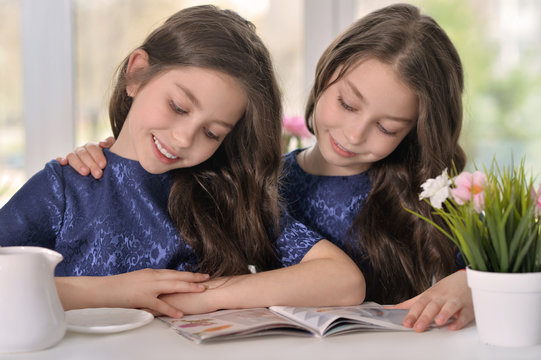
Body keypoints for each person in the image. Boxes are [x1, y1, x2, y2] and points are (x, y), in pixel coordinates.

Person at [60, 4, 472, 332]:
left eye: (386, 127)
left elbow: (521, 265)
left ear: (415, 131)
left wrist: (473, 283)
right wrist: (115, 163)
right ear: (325, 74)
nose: (354, 133)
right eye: (347, 104)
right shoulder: (260, 182)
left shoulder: (430, 193)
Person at [0, 5, 365, 318]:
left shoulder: (222, 197)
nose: (182, 138)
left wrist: (199, 298)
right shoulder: (66, 187)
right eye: (177, 106)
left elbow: (343, 281)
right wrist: (113, 292)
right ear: (137, 73)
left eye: (212, 133)